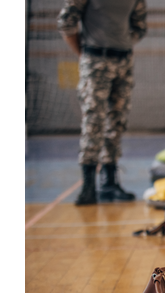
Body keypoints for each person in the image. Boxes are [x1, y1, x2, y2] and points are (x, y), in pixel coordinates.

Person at [57, 0, 147, 205]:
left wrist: (121, 41)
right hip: (95, 60)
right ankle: (88, 186)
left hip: (124, 61)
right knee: (94, 123)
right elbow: (66, 21)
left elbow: (140, 25)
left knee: (117, 122)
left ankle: (110, 181)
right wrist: (85, 54)